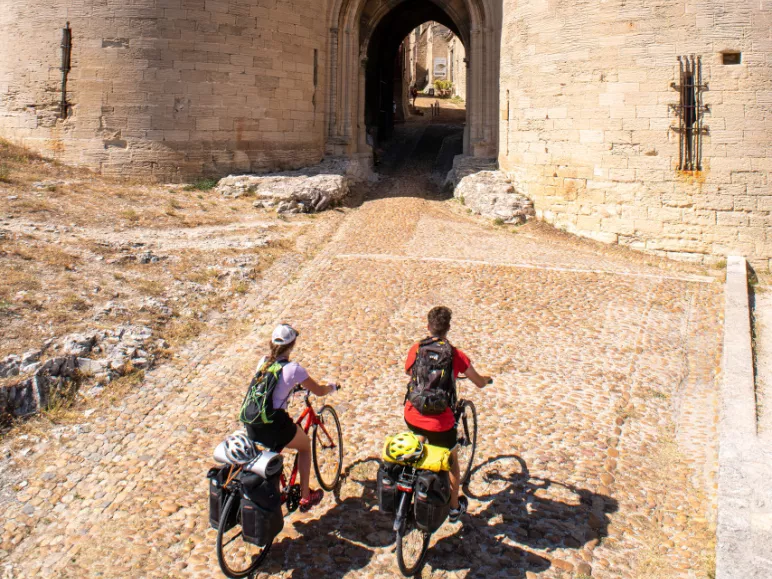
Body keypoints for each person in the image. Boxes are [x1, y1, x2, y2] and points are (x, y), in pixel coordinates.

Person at [404, 306, 492, 522]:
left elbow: (408, 371)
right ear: (448, 328)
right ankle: (454, 508)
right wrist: (486, 380)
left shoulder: (417, 348)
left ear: (428, 326)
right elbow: (478, 382)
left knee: (418, 442)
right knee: (452, 462)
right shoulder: (455, 355)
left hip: (413, 414)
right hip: (441, 422)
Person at [245, 324, 337, 512]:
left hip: (252, 422)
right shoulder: (294, 369)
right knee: (304, 447)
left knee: (273, 446)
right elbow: (318, 391)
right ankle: (305, 496)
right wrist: (332, 387)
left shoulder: (263, 362)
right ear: (292, 344)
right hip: (275, 424)